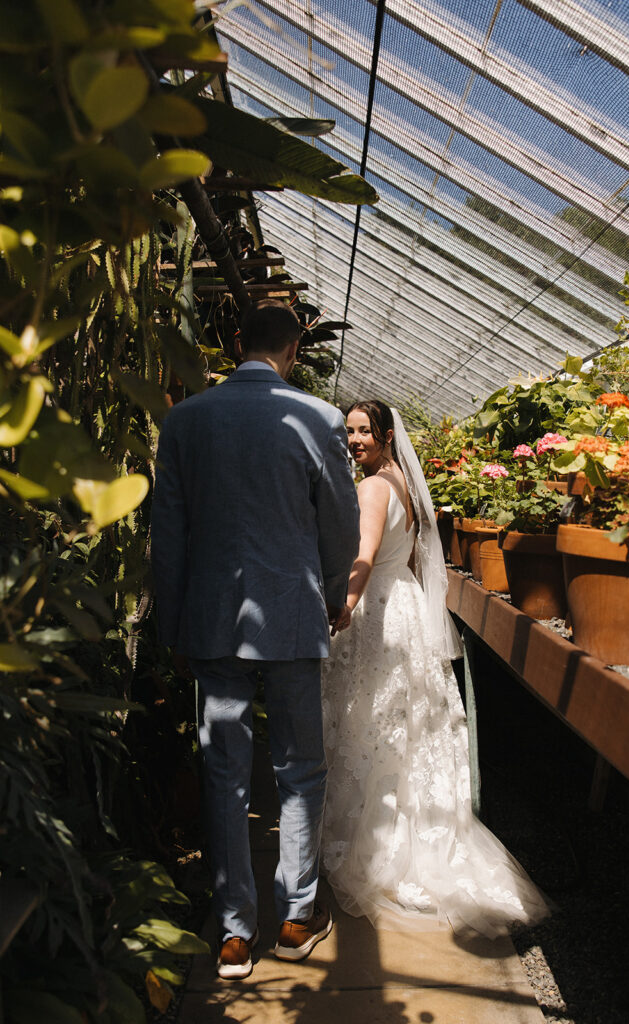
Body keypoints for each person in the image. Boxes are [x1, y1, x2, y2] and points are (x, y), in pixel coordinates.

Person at [151, 300, 360, 980]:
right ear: (295, 349)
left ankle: (235, 933)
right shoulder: (317, 419)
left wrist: (173, 620)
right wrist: (331, 594)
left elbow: (169, 533)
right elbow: (339, 522)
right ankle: (296, 917)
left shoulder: (185, 420)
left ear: (236, 340)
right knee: (299, 770)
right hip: (294, 618)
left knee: (223, 774)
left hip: (211, 621)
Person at [321, 400, 549, 936]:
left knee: (369, 720)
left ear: (384, 435)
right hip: (402, 602)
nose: (355, 441)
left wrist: (346, 606)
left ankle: (375, 837)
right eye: (349, 432)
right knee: (404, 723)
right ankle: (416, 826)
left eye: (364, 432)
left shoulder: (374, 487)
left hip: (376, 608)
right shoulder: (401, 479)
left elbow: (364, 554)